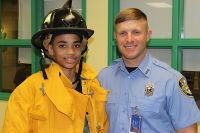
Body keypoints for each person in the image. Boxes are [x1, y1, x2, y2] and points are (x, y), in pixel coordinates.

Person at [1, 1, 109, 133]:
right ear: (50, 49)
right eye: (62, 45)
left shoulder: (93, 86)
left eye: (76, 45)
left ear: (82, 48)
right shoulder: (28, 90)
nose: (70, 52)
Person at [97, 8, 200, 133]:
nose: (129, 39)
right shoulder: (104, 77)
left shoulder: (170, 80)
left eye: (136, 32)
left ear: (148, 36)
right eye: (122, 33)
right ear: (115, 37)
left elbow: (187, 131)